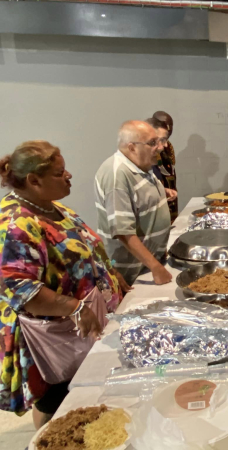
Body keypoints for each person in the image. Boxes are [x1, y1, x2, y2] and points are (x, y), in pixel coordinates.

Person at [0, 141, 126, 425]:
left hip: (77, 319)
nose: (69, 175)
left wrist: (113, 276)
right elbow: (19, 288)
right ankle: (48, 438)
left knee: (77, 385)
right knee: (55, 395)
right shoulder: (15, 224)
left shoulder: (51, 207)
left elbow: (86, 248)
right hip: (51, 330)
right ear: (34, 180)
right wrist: (76, 308)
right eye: (60, 172)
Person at [95, 120, 173, 286]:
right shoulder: (117, 175)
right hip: (132, 274)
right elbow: (123, 231)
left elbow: (136, 198)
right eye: (152, 143)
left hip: (147, 265)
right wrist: (156, 267)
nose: (159, 147)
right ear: (132, 147)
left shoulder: (140, 164)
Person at [151, 111, 178, 222]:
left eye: (170, 125)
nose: (168, 128)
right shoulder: (152, 150)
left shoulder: (168, 147)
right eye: (165, 125)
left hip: (168, 189)